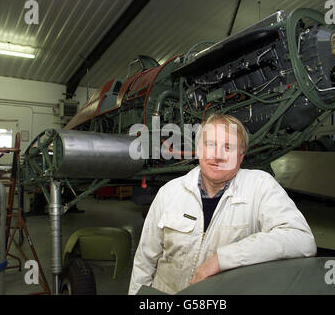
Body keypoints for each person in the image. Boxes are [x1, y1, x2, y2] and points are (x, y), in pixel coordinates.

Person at [128, 113, 316, 295]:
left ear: (241, 157)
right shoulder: (169, 193)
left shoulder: (260, 187)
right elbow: (144, 261)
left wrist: (223, 259)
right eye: (210, 145)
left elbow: (302, 240)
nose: (217, 156)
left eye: (228, 147)